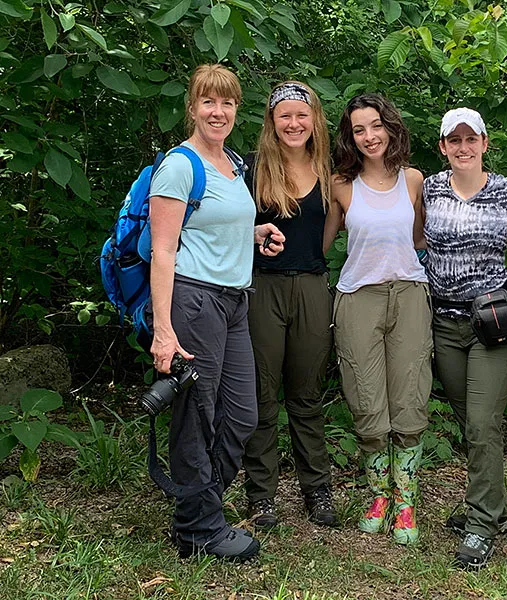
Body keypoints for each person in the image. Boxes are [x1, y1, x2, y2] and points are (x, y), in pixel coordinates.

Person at [148, 64, 285, 562]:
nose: (219, 111)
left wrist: (254, 235)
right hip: (192, 298)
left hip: (233, 301)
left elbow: (208, 225)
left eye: (227, 103)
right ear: (193, 107)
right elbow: (164, 251)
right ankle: (198, 528)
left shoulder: (231, 162)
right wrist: (164, 333)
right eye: (209, 102)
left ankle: (196, 505)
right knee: (197, 413)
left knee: (242, 413)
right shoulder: (180, 166)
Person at [423, 107, 507, 570]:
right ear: (443, 147)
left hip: (493, 325)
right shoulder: (428, 188)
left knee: (483, 423)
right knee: (471, 421)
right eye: (454, 140)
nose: (463, 147)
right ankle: (492, 508)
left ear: (485, 144)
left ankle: (482, 524)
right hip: (444, 324)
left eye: (472, 139)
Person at [325, 94, 432, 545]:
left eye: (375, 126)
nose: (369, 136)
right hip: (358, 299)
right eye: (358, 130)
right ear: (349, 137)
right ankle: (378, 496)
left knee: (410, 395)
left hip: (408, 294)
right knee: (366, 399)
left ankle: (406, 501)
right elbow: (323, 242)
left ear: (390, 127)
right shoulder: (340, 185)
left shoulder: (413, 179)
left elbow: (420, 239)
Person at [241, 81, 338, 530]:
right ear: (272, 121)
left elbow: (333, 230)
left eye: (303, 115)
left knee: (306, 395)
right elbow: (227, 229)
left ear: (315, 119)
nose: (294, 123)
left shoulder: (330, 169)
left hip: (313, 286)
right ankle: (261, 496)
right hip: (264, 288)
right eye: (285, 116)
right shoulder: (252, 169)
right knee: (262, 395)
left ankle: (317, 489)